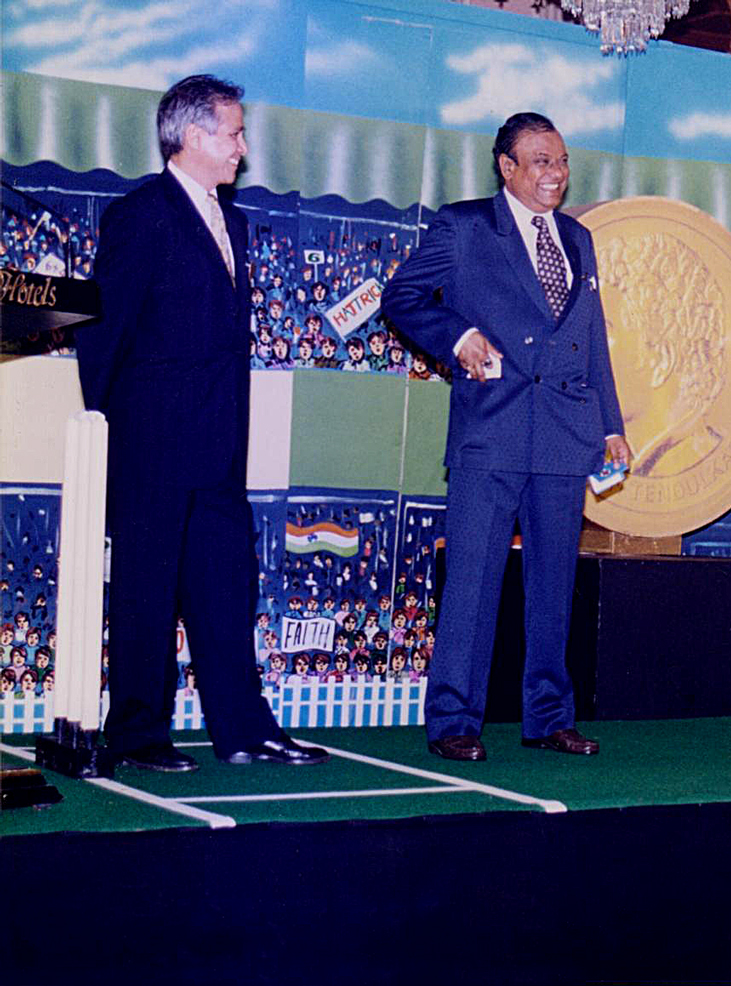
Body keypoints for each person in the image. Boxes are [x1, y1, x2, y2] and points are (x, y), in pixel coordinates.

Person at [75, 75, 327, 770]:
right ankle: (137, 734)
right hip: (152, 444)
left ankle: (245, 729)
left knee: (225, 592)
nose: (243, 149)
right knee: (144, 595)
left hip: (220, 445)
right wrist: (111, 430)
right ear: (191, 136)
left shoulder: (233, 220)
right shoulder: (140, 215)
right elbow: (103, 335)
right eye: (233, 133)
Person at [382, 112, 629, 761]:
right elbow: (403, 297)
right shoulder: (463, 228)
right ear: (507, 167)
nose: (556, 173)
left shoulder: (578, 238)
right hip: (490, 433)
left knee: (553, 586)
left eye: (563, 161)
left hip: (563, 435)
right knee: (472, 583)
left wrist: (611, 426)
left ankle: (548, 717)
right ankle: (454, 721)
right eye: (541, 161)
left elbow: (593, 336)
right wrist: (458, 338)